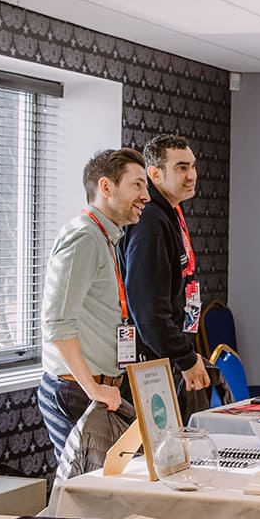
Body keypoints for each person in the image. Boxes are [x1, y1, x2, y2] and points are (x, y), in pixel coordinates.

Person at [38, 148, 150, 464]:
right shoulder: (84, 237)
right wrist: (92, 389)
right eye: (137, 185)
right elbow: (57, 323)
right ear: (106, 187)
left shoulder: (105, 237)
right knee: (85, 487)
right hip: (77, 392)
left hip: (100, 391)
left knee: (107, 484)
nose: (146, 196)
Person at [121, 134, 211, 420]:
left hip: (167, 354)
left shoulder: (170, 212)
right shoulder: (150, 220)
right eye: (181, 168)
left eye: (193, 166)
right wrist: (184, 357)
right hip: (149, 361)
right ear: (155, 173)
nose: (192, 175)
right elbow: (148, 308)